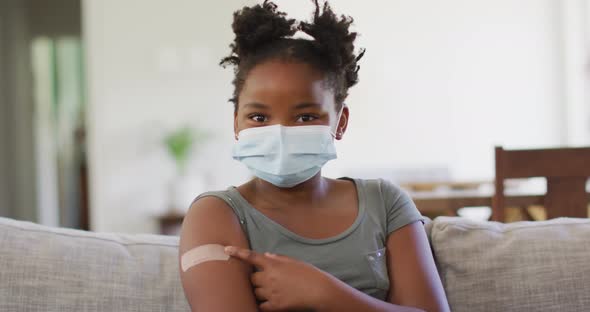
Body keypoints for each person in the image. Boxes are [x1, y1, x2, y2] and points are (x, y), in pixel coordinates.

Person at [179, 1, 449, 311]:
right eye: (258, 117)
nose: (279, 132)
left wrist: (327, 293)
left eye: (305, 117)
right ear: (236, 120)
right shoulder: (215, 214)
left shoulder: (386, 204)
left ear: (340, 121)